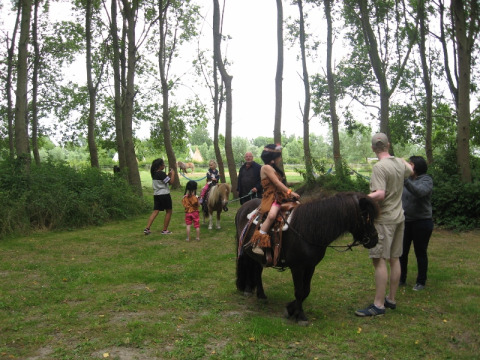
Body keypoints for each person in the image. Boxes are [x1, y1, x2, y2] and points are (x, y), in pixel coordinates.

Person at [355, 133, 413, 317]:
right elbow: (411, 171)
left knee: (379, 260)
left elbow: (379, 194)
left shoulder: (379, 167)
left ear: (373, 148)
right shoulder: (398, 163)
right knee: (394, 259)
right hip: (399, 218)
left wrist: (361, 199)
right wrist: (402, 160)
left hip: (384, 219)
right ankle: (391, 299)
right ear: (388, 144)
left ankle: (378, 305)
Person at [250, 144, 300, 256]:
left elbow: (280, 184)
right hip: (271, 197)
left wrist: (289, 192)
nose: (280, 158)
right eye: (279, 156)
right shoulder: (266, 168)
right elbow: (277, 183)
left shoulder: (274, 168)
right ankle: (258, 243)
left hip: (280, 195)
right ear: (272, 157)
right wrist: (290, 192)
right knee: (272, 215)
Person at [400, 156, 433, 291]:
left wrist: (405, 180)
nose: (407, 165)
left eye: (410, 164)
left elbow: (419, 192)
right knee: (402, 253)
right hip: (405, 222)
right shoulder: (407, 180)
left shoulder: (426, 180)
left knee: (420, 252)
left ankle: (421, 281)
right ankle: (401, 279)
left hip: (422, 222)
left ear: (416, 166)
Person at [144, 158, 175, 235]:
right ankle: (165, 230)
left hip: (156, 195)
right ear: (160, 166)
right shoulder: (161, 173)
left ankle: (147, 228)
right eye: (163, 164)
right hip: (164, 194)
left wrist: (169, 174)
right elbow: (171, 182)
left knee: (155, 211)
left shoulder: (154, 173)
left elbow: (164, 180)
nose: (164, 165)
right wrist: (173, 173)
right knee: (169, 211)